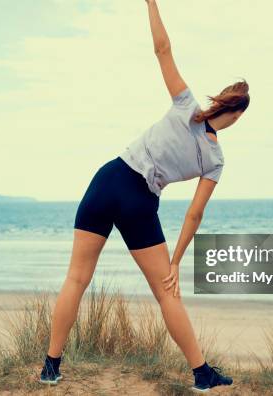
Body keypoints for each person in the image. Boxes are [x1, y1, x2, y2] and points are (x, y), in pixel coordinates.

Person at [40, 0, 250, 392]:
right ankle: (202, 374)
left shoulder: (187, 105)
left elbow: (162, 49)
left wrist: (151, 2)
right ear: (238, 116)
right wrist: (174, 262)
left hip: (109, 178)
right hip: (139, 199)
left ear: (220, 99)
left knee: (76, 278)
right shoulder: (216, 160)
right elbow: (194, 215)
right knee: (167, 293)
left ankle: (51, 368)